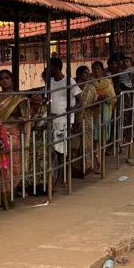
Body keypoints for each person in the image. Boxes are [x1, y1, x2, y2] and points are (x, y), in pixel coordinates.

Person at [0, 69, 29, 208]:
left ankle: (9, 199)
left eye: (7, 78)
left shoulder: (18, 98)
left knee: (12, 167)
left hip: (12, 137)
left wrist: (18, 119)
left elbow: (25, 118)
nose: (4, 80)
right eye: (1, 78)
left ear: (12, 80)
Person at [44, 56, 82, 187]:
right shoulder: (49, 82)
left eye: (49, 67)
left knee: (61, 150)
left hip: (64, 121)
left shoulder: (69, 81)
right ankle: (55, 177)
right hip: (52, 119)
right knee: (53, 149)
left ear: (54, 67)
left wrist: (71, 110)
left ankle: (60, 178)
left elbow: (79, 101)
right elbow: (47, 100)